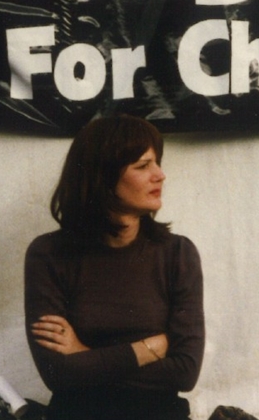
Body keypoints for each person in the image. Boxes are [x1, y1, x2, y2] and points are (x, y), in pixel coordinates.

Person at [24, 115, 205, 420]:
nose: (160, 175)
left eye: (157, 163)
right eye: (143, 165)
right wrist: (150, 348)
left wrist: (84, 356)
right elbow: (57, 374)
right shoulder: (48, 254)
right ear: (103, 177)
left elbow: (185, 373)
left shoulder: (178, 253)